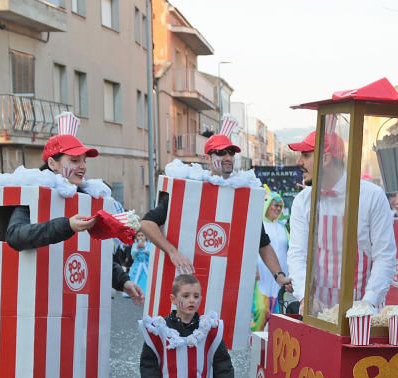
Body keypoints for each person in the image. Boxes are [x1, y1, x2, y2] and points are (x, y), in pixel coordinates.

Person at [6, 113, 144, 378]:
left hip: (79, 306)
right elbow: (17, 237)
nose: (82, 166)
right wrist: (67, 224)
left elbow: (92, 251)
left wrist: (121, 280)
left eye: (85, 159)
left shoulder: (87, 199)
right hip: (40, 311)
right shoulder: (28, 193)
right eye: (73, 159)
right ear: (52, 163)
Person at [140, 117, 292, 296]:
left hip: (228, 290)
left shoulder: (244, 196)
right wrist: (173, 252)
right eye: (221, 153)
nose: (228, 157)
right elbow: (147, 223)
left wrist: (279, 276)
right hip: (188, 287)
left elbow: (263, 243)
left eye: (230, 153)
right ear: (207, 157)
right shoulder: (189, 189)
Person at [287, 126, 396, 312]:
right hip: (318, 313)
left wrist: (368, 302)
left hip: (363, 313)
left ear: (326, 158)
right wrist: (306, 296)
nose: (299, 162)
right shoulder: (303, 201)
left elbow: (384, 256)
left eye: (305, 155)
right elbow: (297, 254)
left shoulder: (371, 196)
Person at [253, 191, 290, 326]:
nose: (278, 208)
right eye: (275, 205)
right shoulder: (258, 223)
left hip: (277, 276)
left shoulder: (282, 227)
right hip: (261, 276)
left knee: (277, 313)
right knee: (260, 310)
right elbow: (260, 247)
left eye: (280, 206)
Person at [125, 233, 150, 297]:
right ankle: (133, 291)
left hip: (146, 264)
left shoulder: (149, 244)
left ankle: (144, 292)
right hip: (137, 265)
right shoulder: (135, 245)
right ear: (136, 237)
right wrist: (136, 249)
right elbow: (133, 256)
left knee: (145, 278)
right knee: (134, 277)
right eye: (138, 236)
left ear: (146, 237)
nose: (140, 237)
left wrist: (144, 248)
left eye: (142, 235)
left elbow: (151, 254)